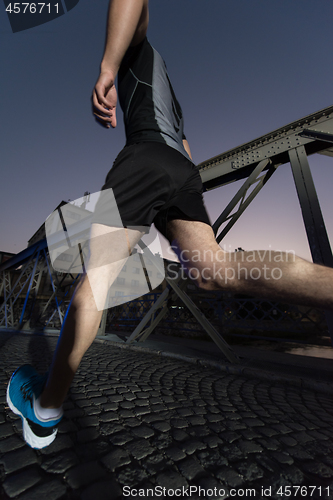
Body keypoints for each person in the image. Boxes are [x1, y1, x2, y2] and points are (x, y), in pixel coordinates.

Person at [7, 0, 333, 449]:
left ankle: (45, 408)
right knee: (216, 271)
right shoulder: (171, 92)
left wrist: (107, 66)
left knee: (97, 282)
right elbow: (184, 146)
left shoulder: (138, 53)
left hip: (144, 157)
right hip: (183, 169)